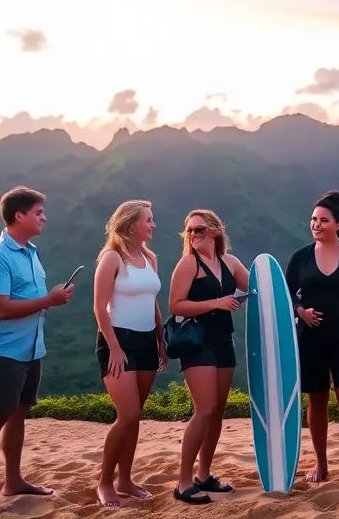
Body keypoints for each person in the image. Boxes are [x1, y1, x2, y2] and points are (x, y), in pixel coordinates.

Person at [0, 187, 74, 514]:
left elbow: (30, 300)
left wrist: (50, 299)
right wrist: (49, 300)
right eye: (38, 212)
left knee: (19, 414)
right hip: (5, 349)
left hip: (31, 349)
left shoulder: (31, 252)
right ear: (19, 216)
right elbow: (1, 309)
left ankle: (13, 480)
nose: (44, 217)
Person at [285, 190, 339, 489]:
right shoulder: (300, 257)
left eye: (324, 220)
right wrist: (301, 311)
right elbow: (286, 294)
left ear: (338, 224)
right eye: (314, 219)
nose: (316, 224)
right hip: (311, 339)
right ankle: (320, 464)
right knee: (317, 398)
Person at [166, 209, 251, 504]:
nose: (193, 235)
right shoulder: (189, 263)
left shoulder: (230, 262)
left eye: (199, 229)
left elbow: (257, 286)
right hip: (196, 342)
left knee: (216, 412)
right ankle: (183, 481)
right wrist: (217, 302)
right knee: (203, 410)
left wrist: (295, 302)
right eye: (189, 230)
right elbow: (176, 305)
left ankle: (203, 475)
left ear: (214, 231)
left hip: (223, 340)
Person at [92, 200, 167, 508]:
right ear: (131, 224)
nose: (153, 225)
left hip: (148, 340)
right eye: (148, 220)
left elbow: (153, 303)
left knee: (135, 417)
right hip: (118, 341)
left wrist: (161, 341)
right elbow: (99, 308)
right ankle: (104, 482)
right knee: (128, 415)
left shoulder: (150, 257)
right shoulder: (112, 258)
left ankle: (125, 479)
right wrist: (114, 348)